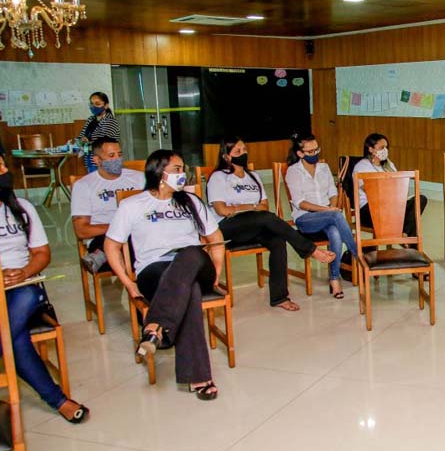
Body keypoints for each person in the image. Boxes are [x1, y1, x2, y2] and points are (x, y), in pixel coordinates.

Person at [104, 150, 225, 400]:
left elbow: (216, 239)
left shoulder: (191, 201)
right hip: (155, 270)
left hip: (197, 263)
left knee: (190, 253)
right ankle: (198, 376)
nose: (183, 174)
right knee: (187, 289)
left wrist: (217, 273)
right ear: (159, 172)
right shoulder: (132, 205)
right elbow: (111, 246)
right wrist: (128, 283)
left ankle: (156, 327)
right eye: (178, 169)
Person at [0, 154, 89, 423]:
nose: (5, 171)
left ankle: (58, 400)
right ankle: (58, 400)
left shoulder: (22, 207)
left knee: (27, 295)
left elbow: (42, 253)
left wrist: (24, 272)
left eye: (4, 165)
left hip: (23, 288)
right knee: (15, 340)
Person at [207, 137, 334, 310]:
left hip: (253, 224)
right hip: (227, 227)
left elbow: (265, 205)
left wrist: (239, 207)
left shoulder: (253, 176)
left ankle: (279, 297)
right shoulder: (218, 177)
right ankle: (310, 249)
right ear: (226, 157)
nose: (243, 153)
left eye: (244, 150)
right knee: (265, 217)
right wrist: (252, 207)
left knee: (277, 239)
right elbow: (222, 210)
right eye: (237, 152)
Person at [285, 134, 357, 299]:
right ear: (300, 153)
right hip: (305, 218)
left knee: (334, 232)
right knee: (335, 217)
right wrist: (326, 210)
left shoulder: (324, 168)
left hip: (327, 216)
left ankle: (334, 280)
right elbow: (300, 202)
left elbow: (332, 193)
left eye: (316, 149)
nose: (315, 153)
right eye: (310, 151)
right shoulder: (293, 171)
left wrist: (331, 206)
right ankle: (357, 255)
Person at [70, 138, 144, 273]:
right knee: (118, 241)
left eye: (119, 155)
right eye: (111, 156)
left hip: (138, 234)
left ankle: (101, 257)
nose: (117, 159)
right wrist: (119, 226)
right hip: (104, 238)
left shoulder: (139, 178)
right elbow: (81, 230)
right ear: (97, 160)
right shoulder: (84, 186)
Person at [354, 133, 427, 239]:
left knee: (420, 199)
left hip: (392, 206)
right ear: (370, 149)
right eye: (382, 147)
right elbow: (371, 191)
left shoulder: (389, 165)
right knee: (404, 216)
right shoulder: (362, 167)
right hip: (369, 209)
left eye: (386, 147)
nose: (385, 150)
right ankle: (408, 240)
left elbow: (398, 185)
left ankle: (405, 234)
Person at [77, 92, 121, 173]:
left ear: (106, 105)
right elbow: (80, 138)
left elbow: (105, 144)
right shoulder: (90, 120)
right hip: (90, 160)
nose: (93, 106)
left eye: (97, 104)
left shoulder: (110, 121)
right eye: (91, 104)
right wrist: (81, 141)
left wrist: (89, 143)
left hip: (105, 162)